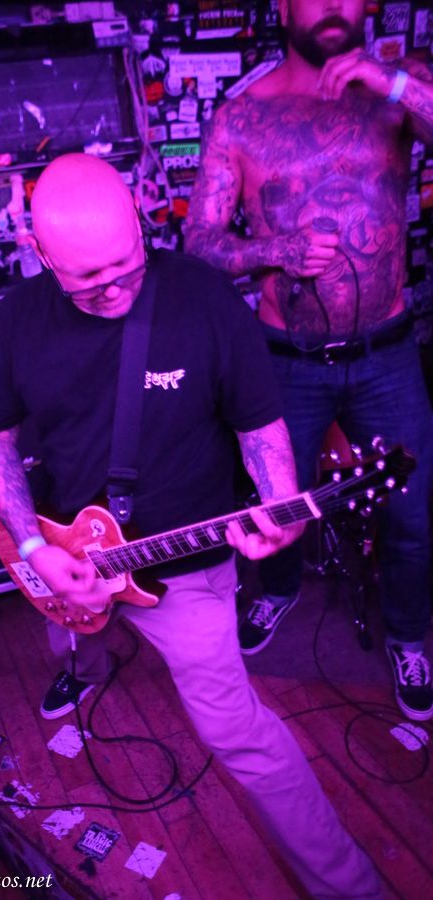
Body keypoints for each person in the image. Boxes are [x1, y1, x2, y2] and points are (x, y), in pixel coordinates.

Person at [0, 152, 381, 897]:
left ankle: (350, 886)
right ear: (40, 254)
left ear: (138, 217)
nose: (114, 289)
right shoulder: (16, 322)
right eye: (87, 281)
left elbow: (259, 426)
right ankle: (82, 661)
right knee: (73, 632)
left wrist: (280, 504)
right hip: (66, 550)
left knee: (237, 733)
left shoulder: (203, 300)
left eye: (125, 266)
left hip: (182, 571)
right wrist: (33, 545)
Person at [184, 0, 433, 721]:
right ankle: (278, 590)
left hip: (387, 353)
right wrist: (276, 251)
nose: (331, 4)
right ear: (284, 6)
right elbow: (198, 243)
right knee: (276, 502)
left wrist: (388, 81)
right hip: (285, 361)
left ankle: (409, 635)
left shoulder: (402, 88)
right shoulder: (241, 116)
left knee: (413, 510)